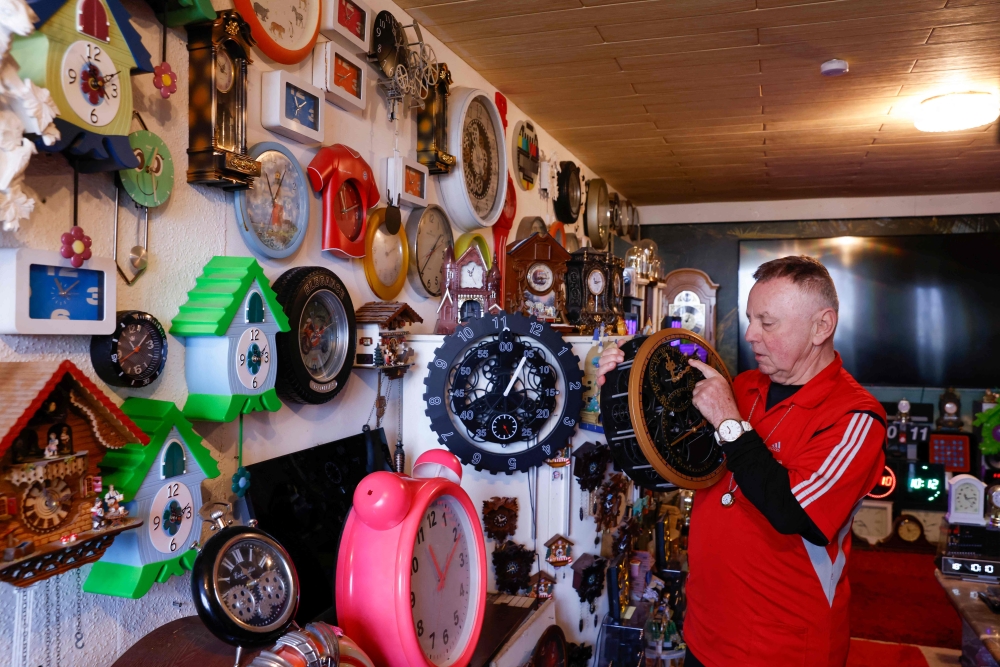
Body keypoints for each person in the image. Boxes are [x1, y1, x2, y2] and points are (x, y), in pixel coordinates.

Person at [597, 256, 886, 667]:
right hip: (704, 631)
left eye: (768, 323)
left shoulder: (856, 417)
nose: (750, 335)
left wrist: (729, 422)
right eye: (751, 319)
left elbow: (795, 512)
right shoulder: (742, 386)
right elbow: (667, 457)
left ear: (822, 326)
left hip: (784, 650)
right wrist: (620, 377)